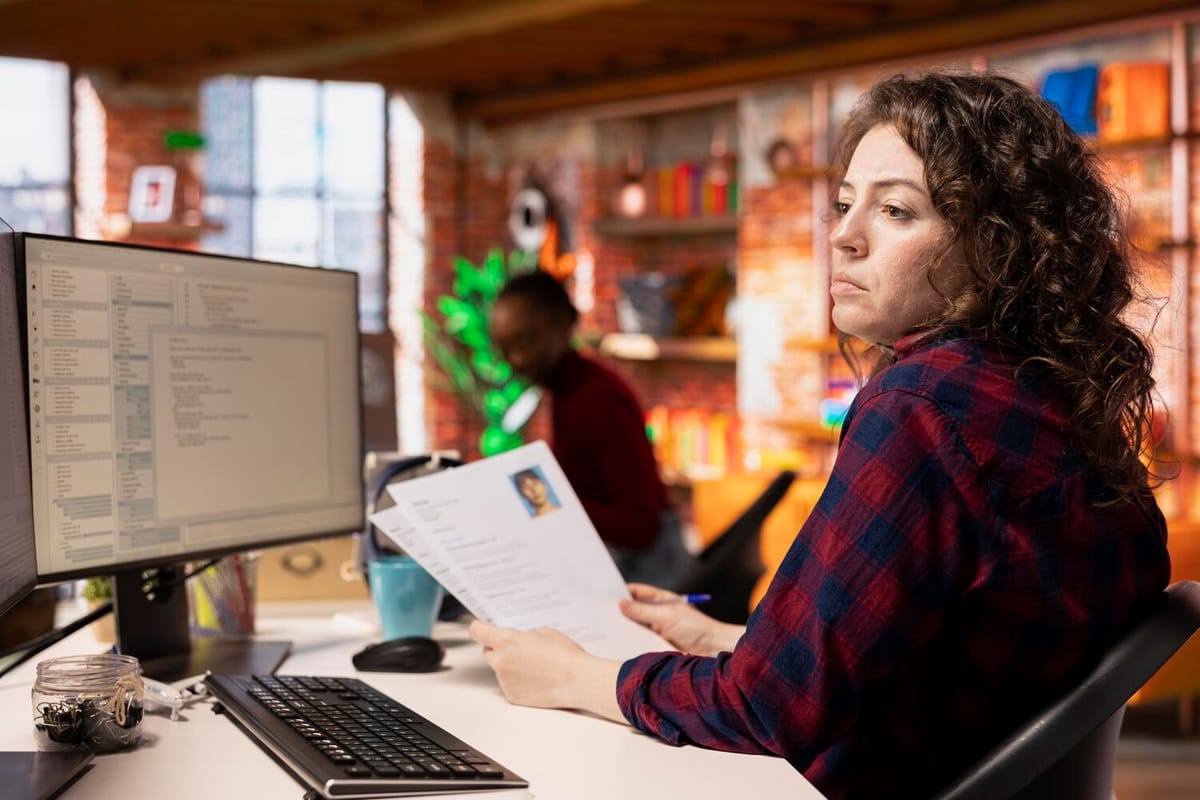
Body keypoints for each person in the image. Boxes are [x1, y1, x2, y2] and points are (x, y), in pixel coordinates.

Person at [468, 70, 1173, 799]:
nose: (842, 235)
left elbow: (769, 713)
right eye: (843, 204)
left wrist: (577, 677)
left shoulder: (922, 407)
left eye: (897, 210)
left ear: (999, 246)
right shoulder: (1054, 399)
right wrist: (733, 641)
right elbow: (944, 650)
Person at [490, 269, 692, 588]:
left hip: (650, 579)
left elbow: (641, 527)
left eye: (526, 341)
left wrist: (548, 501)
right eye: (505, 349)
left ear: (559, 324)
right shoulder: (570, 390)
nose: (516, 359)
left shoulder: (596, 398)